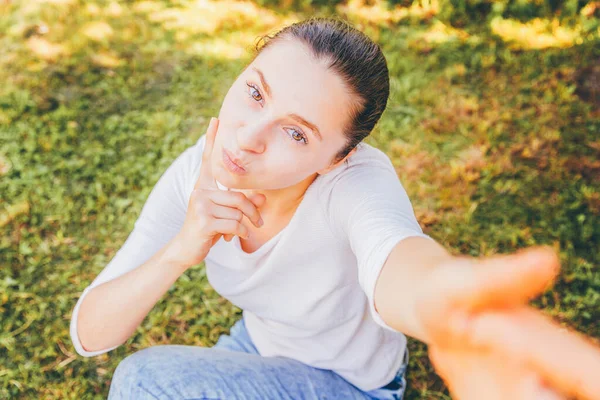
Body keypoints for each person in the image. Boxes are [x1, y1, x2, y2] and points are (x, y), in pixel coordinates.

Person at [69, 17, 600, 400]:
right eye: (255, 93)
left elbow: (398, 258)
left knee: (147, 382)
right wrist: (177, 252)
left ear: (337, 157)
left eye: (296, 132)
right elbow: (90, 334)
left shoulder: (356, 184)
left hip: (350, 384)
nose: (249, 138)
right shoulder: (197, 171)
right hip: (256, 348)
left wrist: (441, 304)